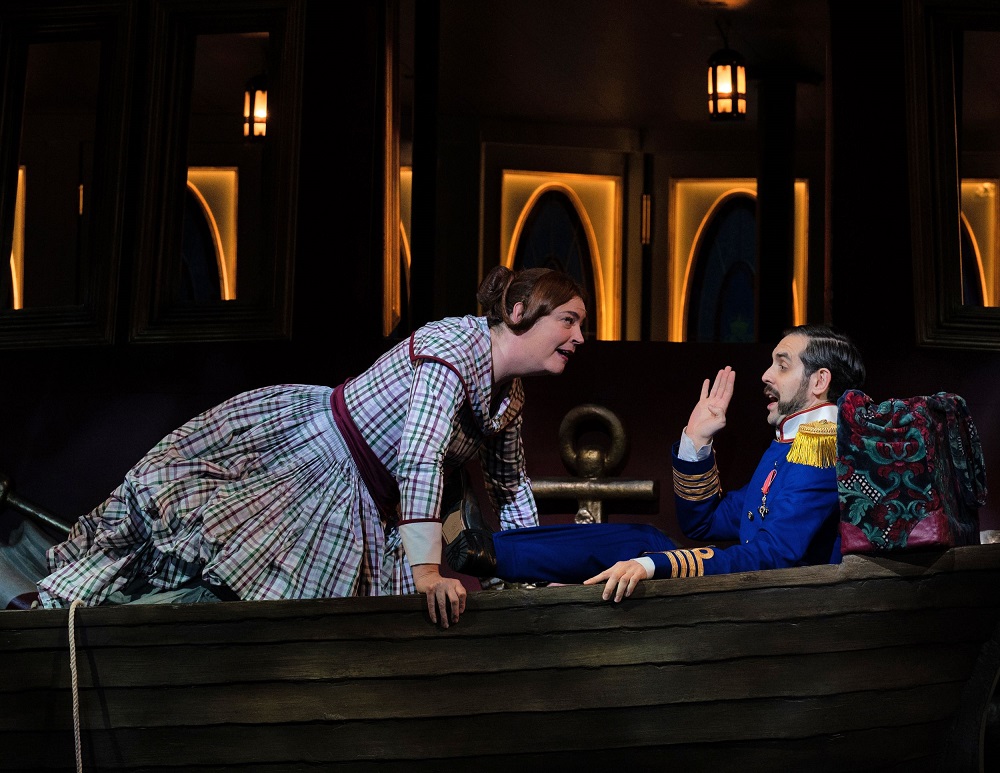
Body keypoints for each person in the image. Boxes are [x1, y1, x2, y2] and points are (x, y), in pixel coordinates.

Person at [5, 265, 587, 628]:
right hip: (314, 462)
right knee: (213, 571)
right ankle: (59, 624)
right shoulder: (452, 346)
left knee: (297, 624)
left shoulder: (509, 397)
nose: (579, 337)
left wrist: (537, 574)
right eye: (567, 320)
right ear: (518, 312)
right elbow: (420, 456)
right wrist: (428, 571)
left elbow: (511, 489)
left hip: (371, 504)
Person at [445, 324, 866, 603]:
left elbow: (772, 557)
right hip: (758, 592)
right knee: (642, 539)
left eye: (782, 365)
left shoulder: (821, 451)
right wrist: (696, 442)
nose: (766, 375)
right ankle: (491, 552)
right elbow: (705, 523)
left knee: (644, 549)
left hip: (780, 605)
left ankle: (494, 553)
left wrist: (654, 564)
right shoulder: (793, 445)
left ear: (819, 381)